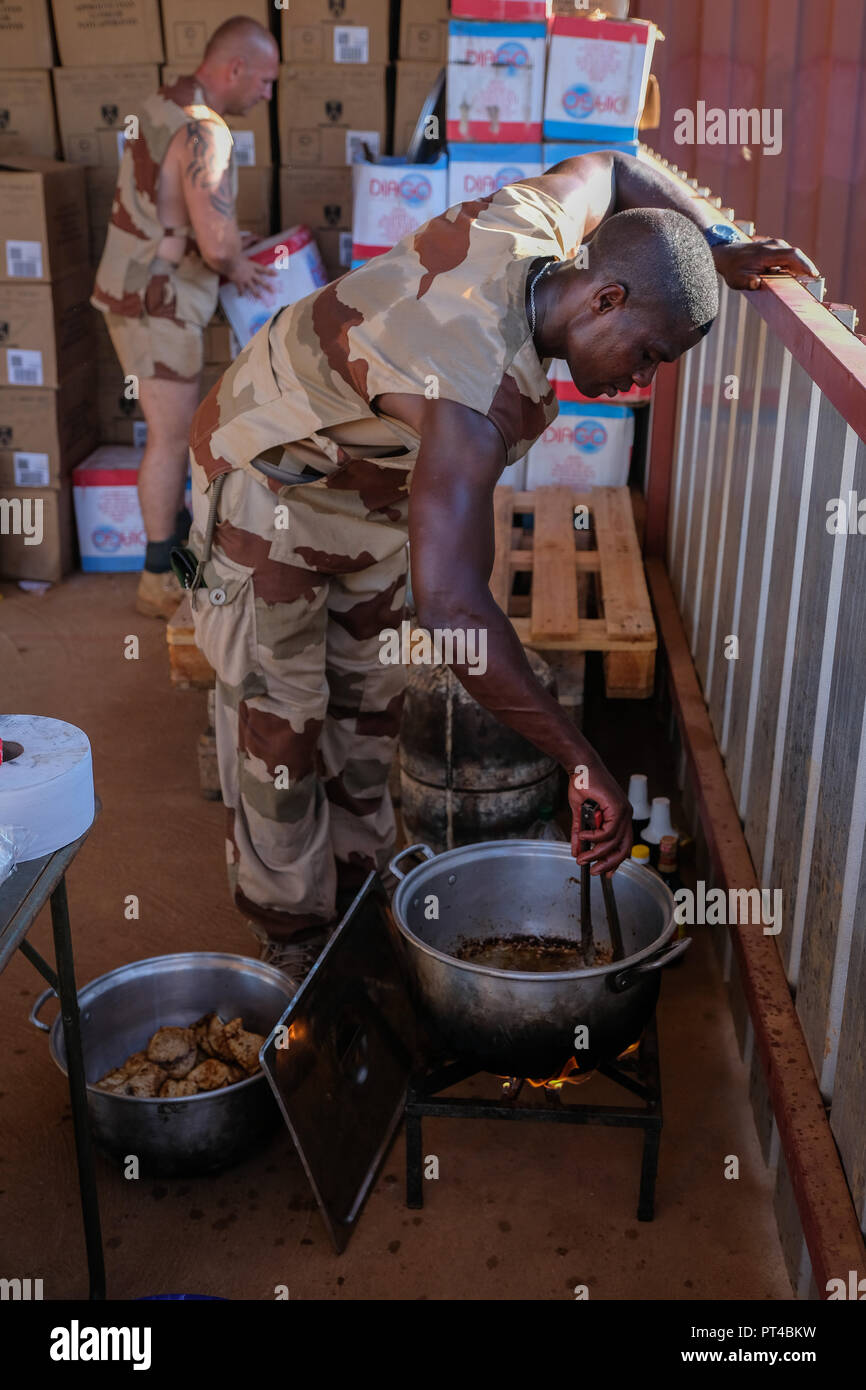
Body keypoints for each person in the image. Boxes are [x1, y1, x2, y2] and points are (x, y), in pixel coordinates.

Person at [184, 149, 817, 981]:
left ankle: (355, 896)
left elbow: (612, 165)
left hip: (366, 489)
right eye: (649, 355)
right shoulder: (470, 392)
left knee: (367, 704)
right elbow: (456, 611)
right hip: (259, 479)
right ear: (606, 298)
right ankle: (294, 943)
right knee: (284, 722)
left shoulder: (540, 226)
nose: (640, 382)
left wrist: (716, 245)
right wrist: (581, 759)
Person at [91, 15, 279, 619]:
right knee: (171, 440)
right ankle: (157, 577)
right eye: (265, 80)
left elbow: (164, 201)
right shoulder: (207, 132)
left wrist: (209, 233)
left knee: (166, 436)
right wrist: (237, 264)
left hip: (134, 284)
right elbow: (220, 247)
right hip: (160, 303)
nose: (267, 94)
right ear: (234, 69)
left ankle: (171, 556)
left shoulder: (161, 103)